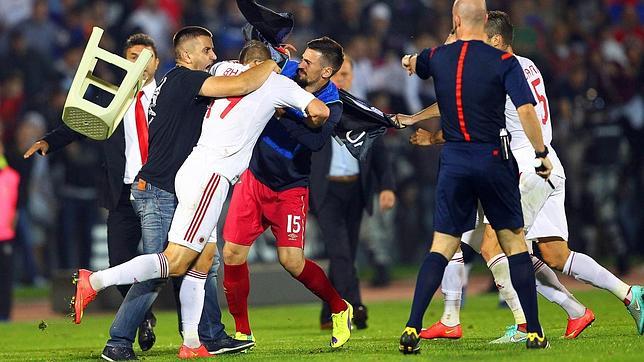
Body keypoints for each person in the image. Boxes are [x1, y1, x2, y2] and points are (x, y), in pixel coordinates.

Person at [408, 11, 644, 340]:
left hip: (525, 165)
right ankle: (627, 296)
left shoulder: (498, 66)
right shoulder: (525, 64)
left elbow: (462, 107)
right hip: (547, 163)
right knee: (555, 254)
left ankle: (522, 325)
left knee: (494, 245)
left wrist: (422, 129)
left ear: (495, 41)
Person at [68, 26, 281, 359]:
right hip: (160, 187)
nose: (213, 56)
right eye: (207, 50)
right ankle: (116, 336)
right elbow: (241, 83)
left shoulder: (175, 81)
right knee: (162, 269)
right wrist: (272, 62)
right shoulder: (185, 80)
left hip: (178, 185)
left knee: (203, 263)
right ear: (186, 55)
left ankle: (207, 337)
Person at [396, 0, 553, 354]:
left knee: (442, 246)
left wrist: (408, 61)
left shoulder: (437, 57)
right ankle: (535, 332)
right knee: (513, 243)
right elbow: (526, 109)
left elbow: (413, 61)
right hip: (493, 156)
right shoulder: (504, 61)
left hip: (453, 161)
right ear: (485, 20)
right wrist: (541, 152)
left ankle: (412, 325)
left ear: (455, 20)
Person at [24, 33, 165, 358]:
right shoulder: (111, 98)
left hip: (161, 193)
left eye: (145, 57)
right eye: (132, 57)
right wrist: (49, 141)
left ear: (156, 63)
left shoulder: (169, 96)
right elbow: (78, 124)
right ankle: (143, 316)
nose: (139, 64)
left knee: (170, 266)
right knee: (119, 265)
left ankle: (194, 335)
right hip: (121, 195)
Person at [220, 37, 353, 349]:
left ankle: (339, 307)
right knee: (232, 254)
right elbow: (258, 59)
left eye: (309, 62)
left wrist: (285, 113)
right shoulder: (287, 71)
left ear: (327, 72)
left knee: (292, 261)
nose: (301, 64)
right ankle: (243, 332)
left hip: (291, 188)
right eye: (302, 58)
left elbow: (316, 142)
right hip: (255, 177)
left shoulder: (333, 103)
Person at [310, 55, 396, 330]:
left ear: (353, 77)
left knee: (344, 252)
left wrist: (386, 186)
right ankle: (354, 304)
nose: (342, 79)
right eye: (338, 74)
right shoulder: (315, 108)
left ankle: (327, 311)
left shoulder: (361, 109)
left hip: (356, 190)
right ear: (327, 75)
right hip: (327, 190)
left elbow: (379, 151)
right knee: (341, 251)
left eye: (346, 74)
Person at [0, 123, 20, 321]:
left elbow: (18, 205)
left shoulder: (12, 177)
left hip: (5, 235)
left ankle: (5, 316)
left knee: (5, 279)